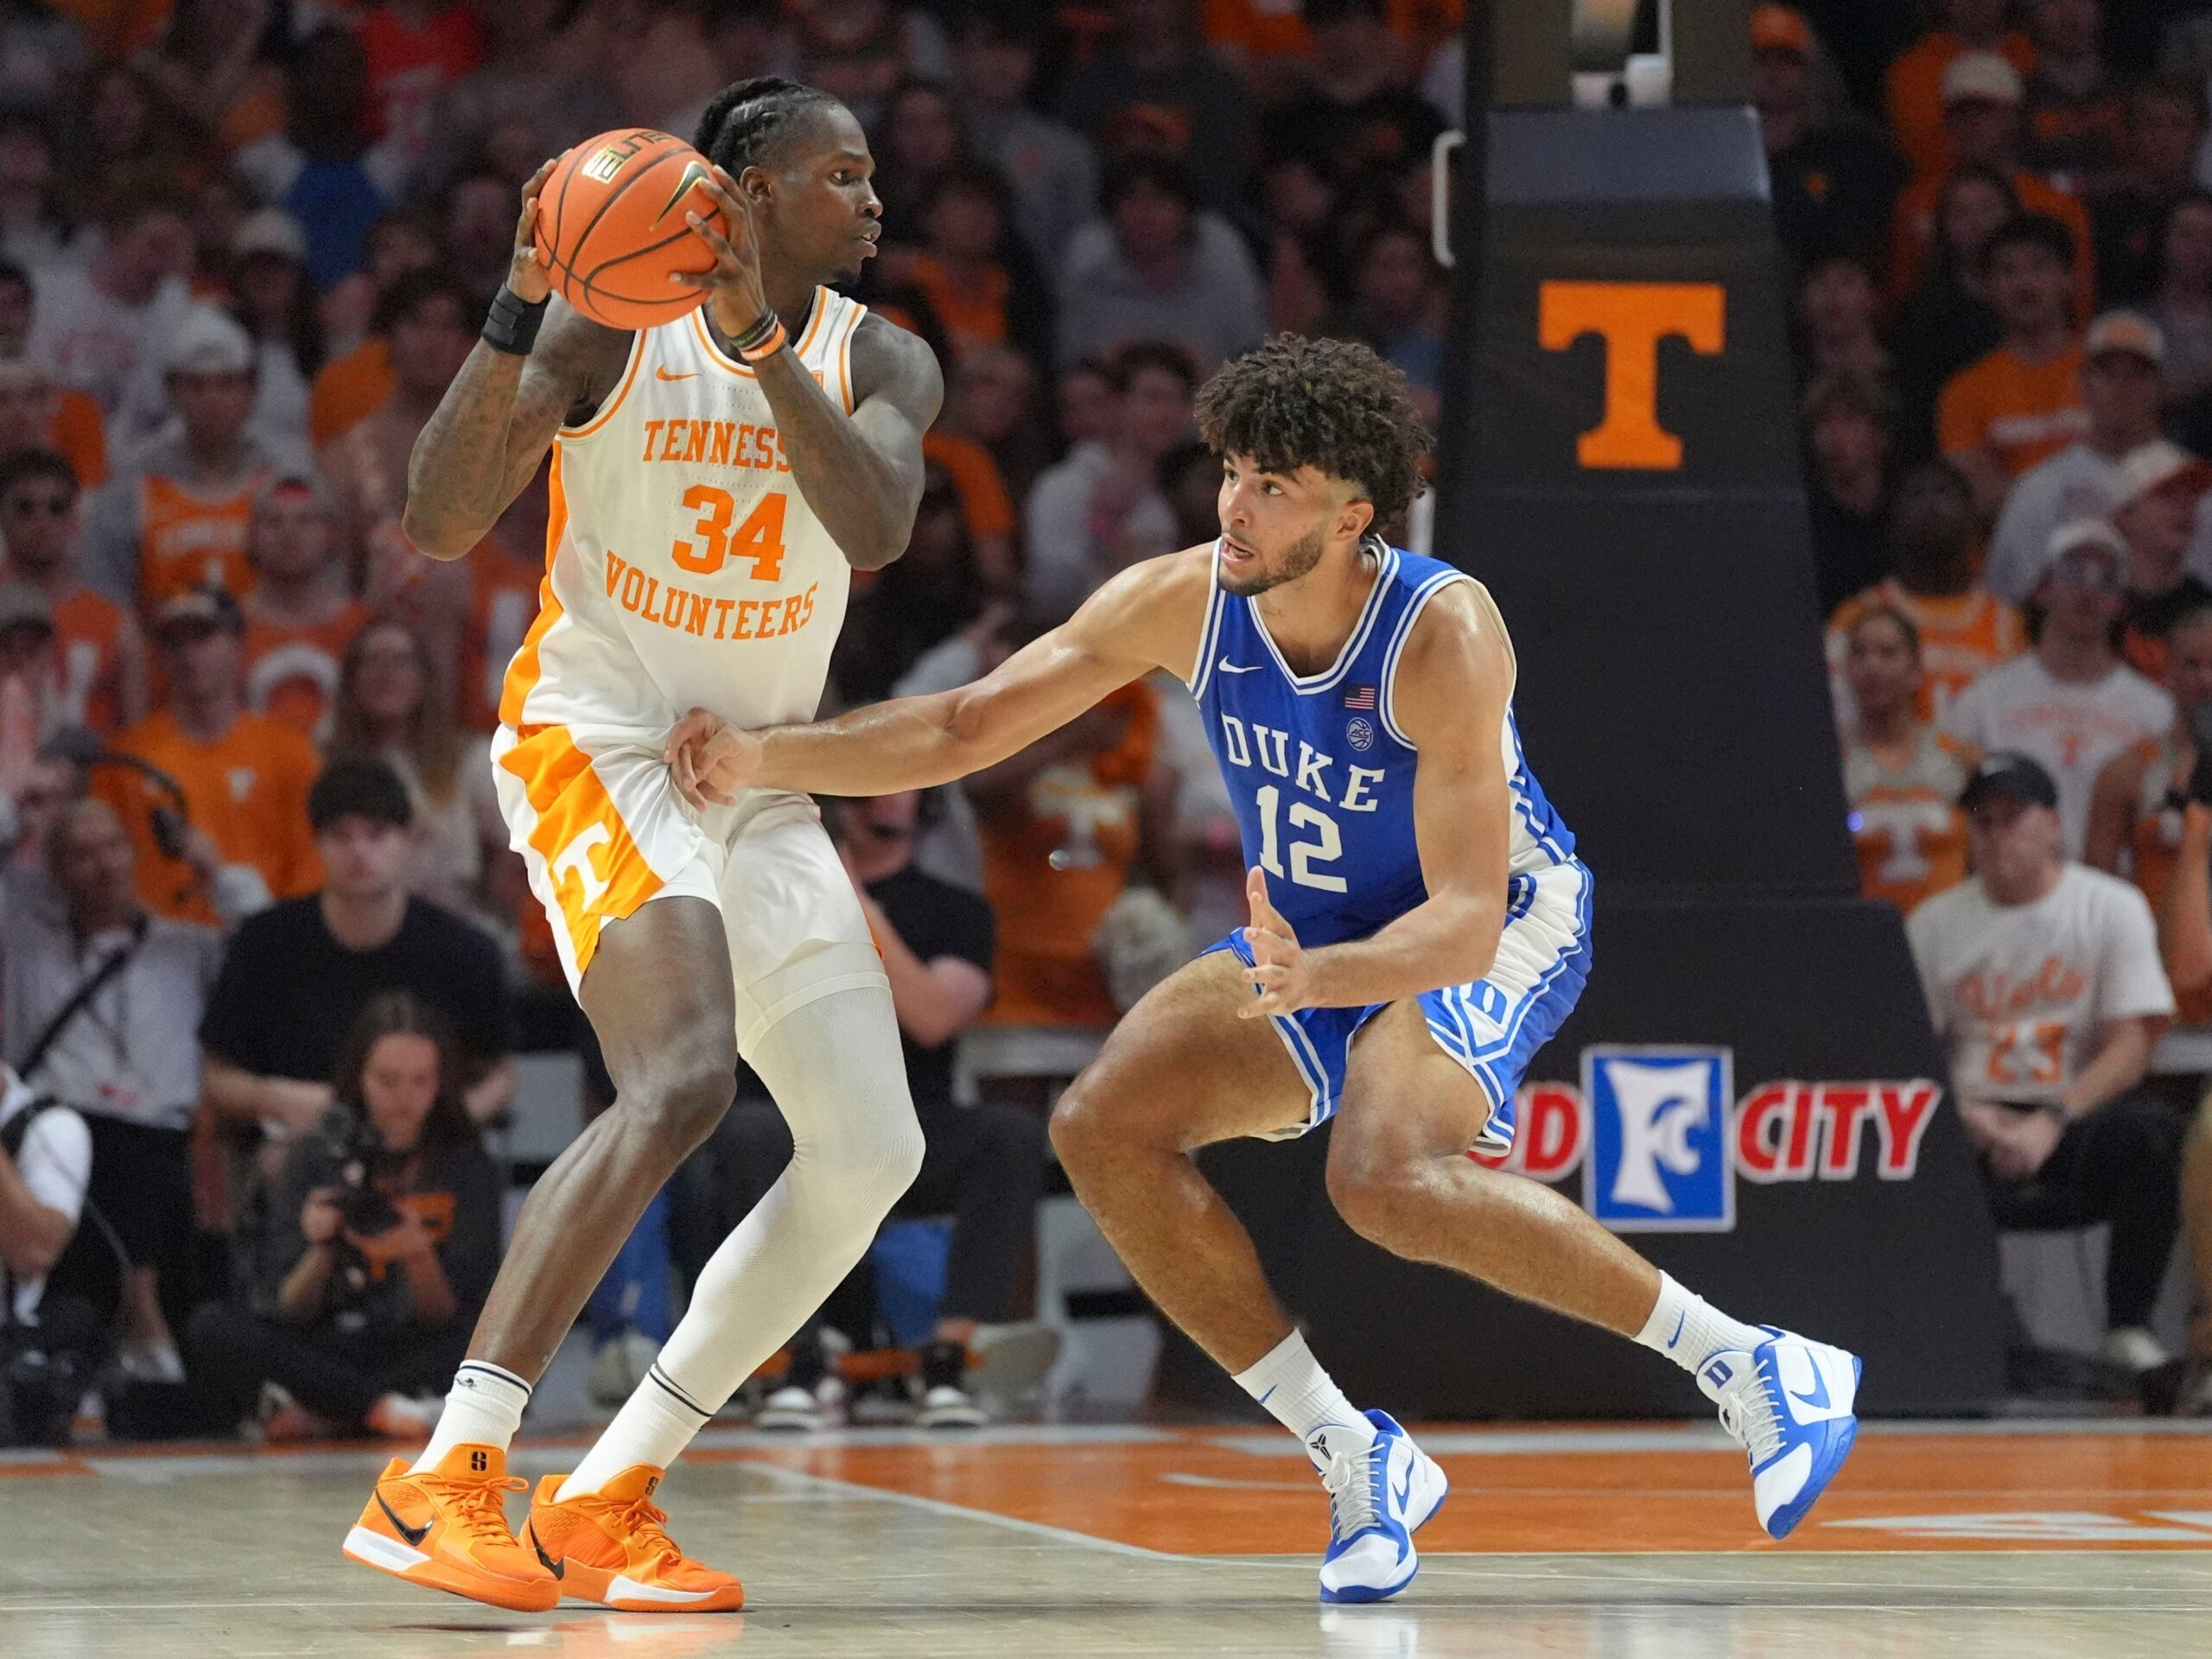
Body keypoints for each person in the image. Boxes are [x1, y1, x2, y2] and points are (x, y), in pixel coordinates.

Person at [672, 334, 1864, 1599]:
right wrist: (767, 758)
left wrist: (1329, 978)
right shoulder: (1184, 595)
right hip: (1310, 934)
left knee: (1385, 1173)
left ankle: (1747, 1364)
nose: (1234, 503)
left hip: (1496, 915)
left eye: (1273, 485)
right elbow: (971, 726)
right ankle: (1355, 1455)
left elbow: (1462, 923)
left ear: (1355, 515)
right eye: (1232, 470)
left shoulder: (1442, 633)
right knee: (1104, 1128)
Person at [345, 77, 943, 1615]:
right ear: (742, 191)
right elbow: (436, 515)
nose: (875, 203)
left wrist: (758, 344)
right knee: (678, 1078)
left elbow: (874, 524)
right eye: (843, 175)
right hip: (601, 738)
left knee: (875, 1150)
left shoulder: (886, 354)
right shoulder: (612, 328)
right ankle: (448, 1474)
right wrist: (523, 292)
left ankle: (606, 1495)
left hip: (757, 772)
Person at [743, 789, 1046, 1432]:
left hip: (908, 1126)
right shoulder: (775, 908)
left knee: (1010, 1136)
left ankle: (948, 1357)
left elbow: (934, 1017)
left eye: (897, 779)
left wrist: (854, 905)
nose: (880, 792)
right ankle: (796, 1362)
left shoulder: (956, 911)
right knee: (745, 1131)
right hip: (804, 1124)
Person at [1907, 749, 2184, 1395]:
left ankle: (2127, 1324)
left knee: (2154, 1136)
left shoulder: (2110, 906)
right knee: (1905, 1148)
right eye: (1985, 821)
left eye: (2013, 817)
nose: (1999, 833)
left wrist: (2053, 1120)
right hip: (1970, 1113)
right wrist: (1972, 1119)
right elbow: (1912, 1052)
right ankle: (1950, 1331)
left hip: (2074, 1111)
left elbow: (2130, 1047)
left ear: (2052, 824)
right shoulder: (1934, 922)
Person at [188, 993, 503, 1441]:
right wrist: (322, 1247)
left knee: (504, 1349)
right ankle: (382, 1409)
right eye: (388, 1080)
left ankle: (334, 1414)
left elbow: (457, 1314)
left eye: (420, 1081)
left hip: (417, 1346)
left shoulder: (466, 1165)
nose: (404, 1098)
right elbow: (287, 1306)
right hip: (327, 1345)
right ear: (360, 1078)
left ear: (441, 1083)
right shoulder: (317, 1157)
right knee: (214, 1327)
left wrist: (416, 1256)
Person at [92, 588, 323, 927]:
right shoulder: (124, 759)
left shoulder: (291, 754)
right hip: (158, 951)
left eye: (203, 638)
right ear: (159, 655)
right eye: (174, 642)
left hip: (258, 941)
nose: (189, 655)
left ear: (238, 647)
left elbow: (309, 873)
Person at [1944, 521, 2174, 857]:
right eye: (2074, 572)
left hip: (2116, 892)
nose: (2089, 591)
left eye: (2106, 579)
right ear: (2042, 588)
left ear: (2122, 601)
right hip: (2011, 886)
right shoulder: (1982, 700)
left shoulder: (2156, 709)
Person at [81, 306, 313, 612]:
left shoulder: (286, 477)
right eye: (196, 385)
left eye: (226, 384)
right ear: (172, 392)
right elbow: (106, 600)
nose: (211, 400)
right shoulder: (133, 483)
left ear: (251, 391)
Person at [1987, 312, 2207, 605]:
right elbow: (2006, 599)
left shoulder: (2194, 484)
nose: (2122, 385)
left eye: (2138, 374)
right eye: (2108, 372)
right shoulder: (2040, 488)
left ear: (2161, 387)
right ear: (2084, 384)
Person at [324, 617, 505, 928]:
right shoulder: (324, 763)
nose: (386, 674)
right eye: (372, 661)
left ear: (425, 678)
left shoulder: (470, 759)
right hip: (353, 924)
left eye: (401, 661)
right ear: (351, 679)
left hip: (455, 925)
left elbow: (510, 852)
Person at [1889, 54, 2096, 318]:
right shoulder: (1916, 202)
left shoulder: (2057, 206)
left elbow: (2079, 303)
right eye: (1962, 113)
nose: (1973, 123)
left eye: (1985, 111)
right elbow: (1902, 295)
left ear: (2013, 119)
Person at [1826, 460, 2025, 726]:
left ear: (1972, 516)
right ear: (1891, 521)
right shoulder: (1857, 617)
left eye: (1944, 492)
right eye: (1916, 495)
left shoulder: (2009, 623)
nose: (1931, 504)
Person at [1024, 340, 1195, 622]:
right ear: (1116, 405)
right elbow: (1048, 598)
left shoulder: (1171, 497)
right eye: (1153, 397)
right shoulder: (1064, 485)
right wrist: (1102, 532)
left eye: (1179, 399)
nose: (1168, 413)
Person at [1937, 213, 2090, 517]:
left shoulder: (2109, 373)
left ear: (2069, 280)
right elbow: (1977, 498)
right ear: (1988, 289)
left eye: (2040, 265)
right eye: (2008, 271)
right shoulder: (1964, 391)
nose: (2025, 282)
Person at [1055, 159, 1265, 372]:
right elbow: (1068, 370)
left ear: (1186, 215)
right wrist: (1100, 368)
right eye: (1132, 201)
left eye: (1160, 201)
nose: (1146, 216)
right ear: (1111, 218)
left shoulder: (1224, 288)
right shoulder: (1091, 289)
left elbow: (1254, 370)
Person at [1840, 606, 1976, 914]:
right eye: (1858, 654)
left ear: (1916, 669)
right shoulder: (1829, 767)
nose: (1871, 666)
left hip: (1949, 938)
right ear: (1845, 669)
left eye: (1887, 654)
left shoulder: (1961, 759)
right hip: (1864, 940)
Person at [0, 448, 144, 734]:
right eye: (25, 507)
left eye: (57, 507)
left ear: (75, 518)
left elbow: (138, 735)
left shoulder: (117, 625)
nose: (41, 521)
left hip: (95, 775)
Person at [239, 475, 370, 744]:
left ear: (333, 535)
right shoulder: (226, 628)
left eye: (306, 521)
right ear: (251, 536)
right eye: (273, 522)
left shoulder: (365, 628)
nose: (289, 533)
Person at [2111, 441, 2212, 680]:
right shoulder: (2092, 605)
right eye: (2166, 494)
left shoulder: (2206, 609)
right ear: (2124, 515)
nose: (2184, 506)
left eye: (2191, 494)